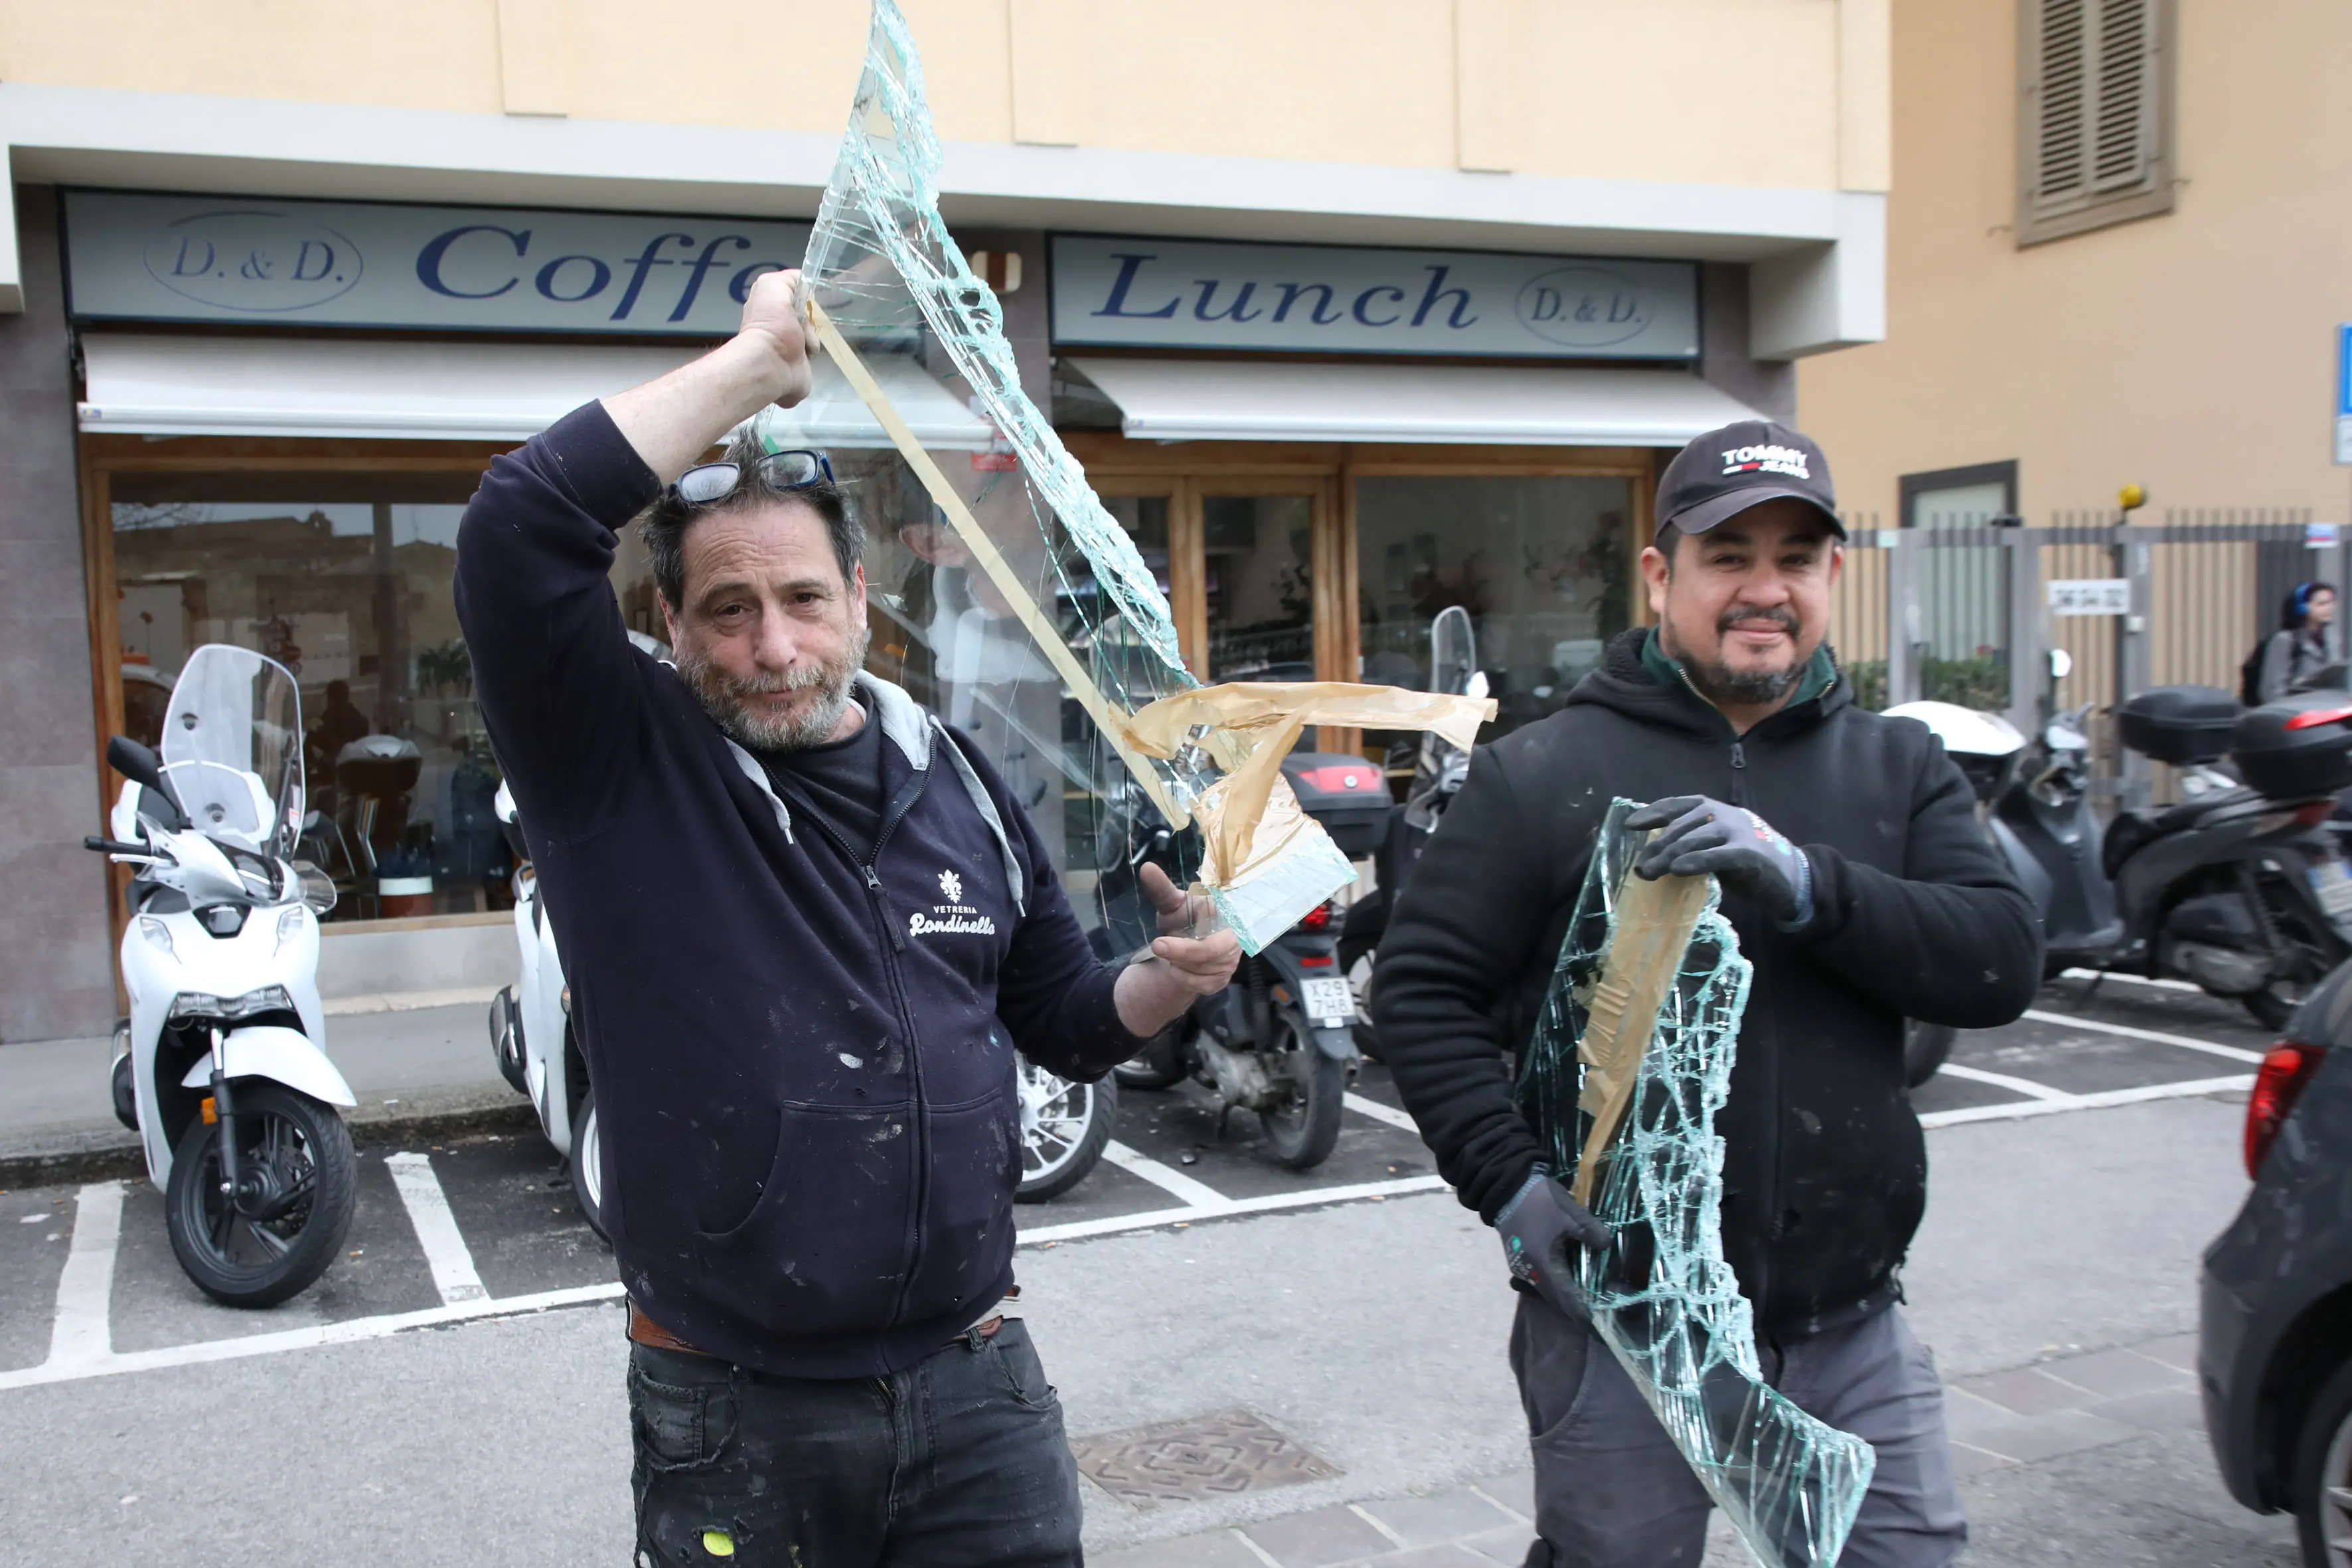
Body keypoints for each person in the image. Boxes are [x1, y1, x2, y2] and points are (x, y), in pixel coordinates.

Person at [452, 268, 1239, 1568]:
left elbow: (1059, 1018)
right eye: (727, 607)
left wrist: (1166, 976)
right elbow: (514, 529)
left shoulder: (960, 780)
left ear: (859, 598)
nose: (771, 644)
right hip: (736, 1404)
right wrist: (757, 365)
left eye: (802, 598)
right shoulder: (616, 761)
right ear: (669, 621)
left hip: (978, 1385)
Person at [1372, 420, 2042, 1568]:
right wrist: (1507, 1181)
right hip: (1621, 1322)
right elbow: (1422, 993)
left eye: (1793, 556)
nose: (1762, 588)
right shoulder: (1540, 772)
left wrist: (1804, 880)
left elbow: (1996, 961)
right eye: (1727, 554)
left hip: (1849, 1323)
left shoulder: (1896, 767)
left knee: (1907, 1550)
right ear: (1660, 575)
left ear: (1832, 575)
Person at [2257, 582, 2339, 702]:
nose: (2329, 608)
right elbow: (2272, 690)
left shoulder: (2332, 638)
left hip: (2325, 710)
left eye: (2331, 602)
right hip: (2296, 711)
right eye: (2322, 604)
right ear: (2302, 607)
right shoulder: (2286, 640)